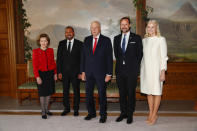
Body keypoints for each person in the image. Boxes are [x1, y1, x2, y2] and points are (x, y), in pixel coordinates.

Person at [81, 21, 113, 123]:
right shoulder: (86, 40)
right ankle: (91, 113)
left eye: (95, 27)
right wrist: (82, 72)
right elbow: (83, 57)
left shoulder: (106, 40)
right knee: (88, 94)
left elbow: (109, 58)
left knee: (102, 95)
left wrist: (109, 73)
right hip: (88, 72)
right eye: (92, 28)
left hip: (101, 73)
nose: (94, 29)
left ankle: (103, 115)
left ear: (99, 28)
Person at [113, 17, 143, 124]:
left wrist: (134, 67)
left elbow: (139, 55)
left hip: (132, 71)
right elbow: (117, 54)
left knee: (131, 93)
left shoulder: (136, 38)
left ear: (129, 25)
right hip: (120, 70)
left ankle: (130, 114)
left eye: (126, 24)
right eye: (122, 24)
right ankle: (123, 113)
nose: (124, 26)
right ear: (120, 26)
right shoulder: (116, 38)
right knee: (122, 93)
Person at [140, 20, 168, 125]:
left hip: (156, 70)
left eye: (152, 27)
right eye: (149, 27)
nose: (150, 29)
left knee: (157, 92)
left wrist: (163, 71)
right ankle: (151, 112)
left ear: (156, 28)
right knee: (149, 92)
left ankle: (154, 114)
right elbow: (143, 57)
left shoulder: (161, 39)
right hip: (146, 70)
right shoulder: (144, 40)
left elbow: (164, 57)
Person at [57, 26, 83, 116]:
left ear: (73, 33)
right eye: (66, 32)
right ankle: (66, 108)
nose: (68, 33)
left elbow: (82, 60)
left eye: (70, 32)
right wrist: (59, 72)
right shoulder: (61, 43)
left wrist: (81, 72)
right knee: (65, 91)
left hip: (76, 73)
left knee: (76, 91)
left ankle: (76, 109)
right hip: (64, 73)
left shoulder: (80, 44)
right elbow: (59, 59)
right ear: (65, 34)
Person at [32, 33, 57, 119]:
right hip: (41, 75)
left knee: (49, 93)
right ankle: (43, 111)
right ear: (39, 42)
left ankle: (47, 109)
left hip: (50, 74)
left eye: (45, 41)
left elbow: (53, 63)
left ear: (48, 42)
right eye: (42, 41)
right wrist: (37, 77)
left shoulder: (51, 50)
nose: (43, 42)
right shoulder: (35, 51)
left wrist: (55, 73)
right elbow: (34, 66)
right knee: (42, 94)